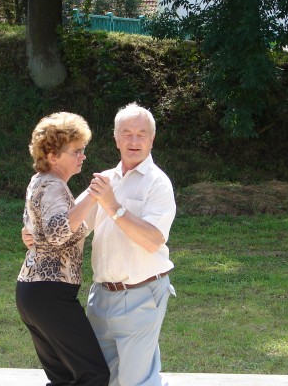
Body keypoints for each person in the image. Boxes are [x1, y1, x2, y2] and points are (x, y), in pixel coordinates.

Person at [23, 103, 176, 386]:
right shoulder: (104, 181)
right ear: (115, 138)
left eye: (141, 134)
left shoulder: (158, 183)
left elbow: (153, 240)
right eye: (126, 133)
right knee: (101, 378)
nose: (134, 140)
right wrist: (34, 233)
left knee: (136, 382)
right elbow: (72, 227)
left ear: (152, 139)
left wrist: (114, 207)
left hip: (141, 293)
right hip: (102, 296)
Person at [15, 112, 110, 386]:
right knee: (94, 375)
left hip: (32, 293)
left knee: (64, 379)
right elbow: (57, 232)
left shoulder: (39, 181)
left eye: (83, 150)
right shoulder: (53, 186)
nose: (83, 156)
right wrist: (93, 196)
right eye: (76, 151)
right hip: (50, 294)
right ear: (53, 155)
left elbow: (35, 227)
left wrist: (28, 234)